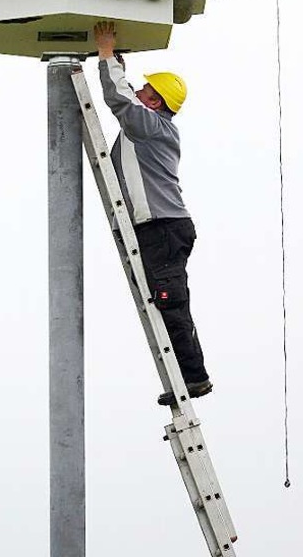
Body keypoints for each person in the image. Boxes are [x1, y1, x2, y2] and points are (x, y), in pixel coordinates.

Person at [93, 21, 212, 402]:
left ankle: (193, 378)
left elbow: (120, 102)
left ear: (156, 101)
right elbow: (126, 99)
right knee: (167, 302)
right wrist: (118, 70)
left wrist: (107, 54)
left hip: (161, 227)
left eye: (146, 89)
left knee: (169, 303)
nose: (139, 91)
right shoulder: (148, 128)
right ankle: (188, 377)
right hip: (160, 227)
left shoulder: (152, 127)